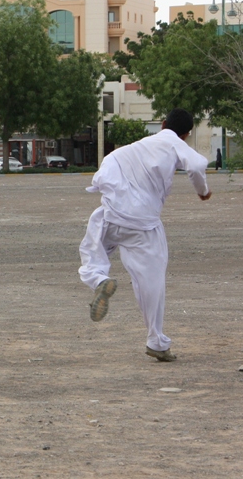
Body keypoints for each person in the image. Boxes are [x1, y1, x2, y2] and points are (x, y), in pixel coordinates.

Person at [78, 108, 212, 362]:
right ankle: (156, 341)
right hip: (143, 225)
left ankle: (97, 280)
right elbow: (196, 165)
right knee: (151, 281)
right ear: (185, 135)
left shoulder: (131, 147)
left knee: (92, 251)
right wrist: (202, 191)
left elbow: (107, 166)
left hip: (110, 215)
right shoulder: (175, 143)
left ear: (162, 124)